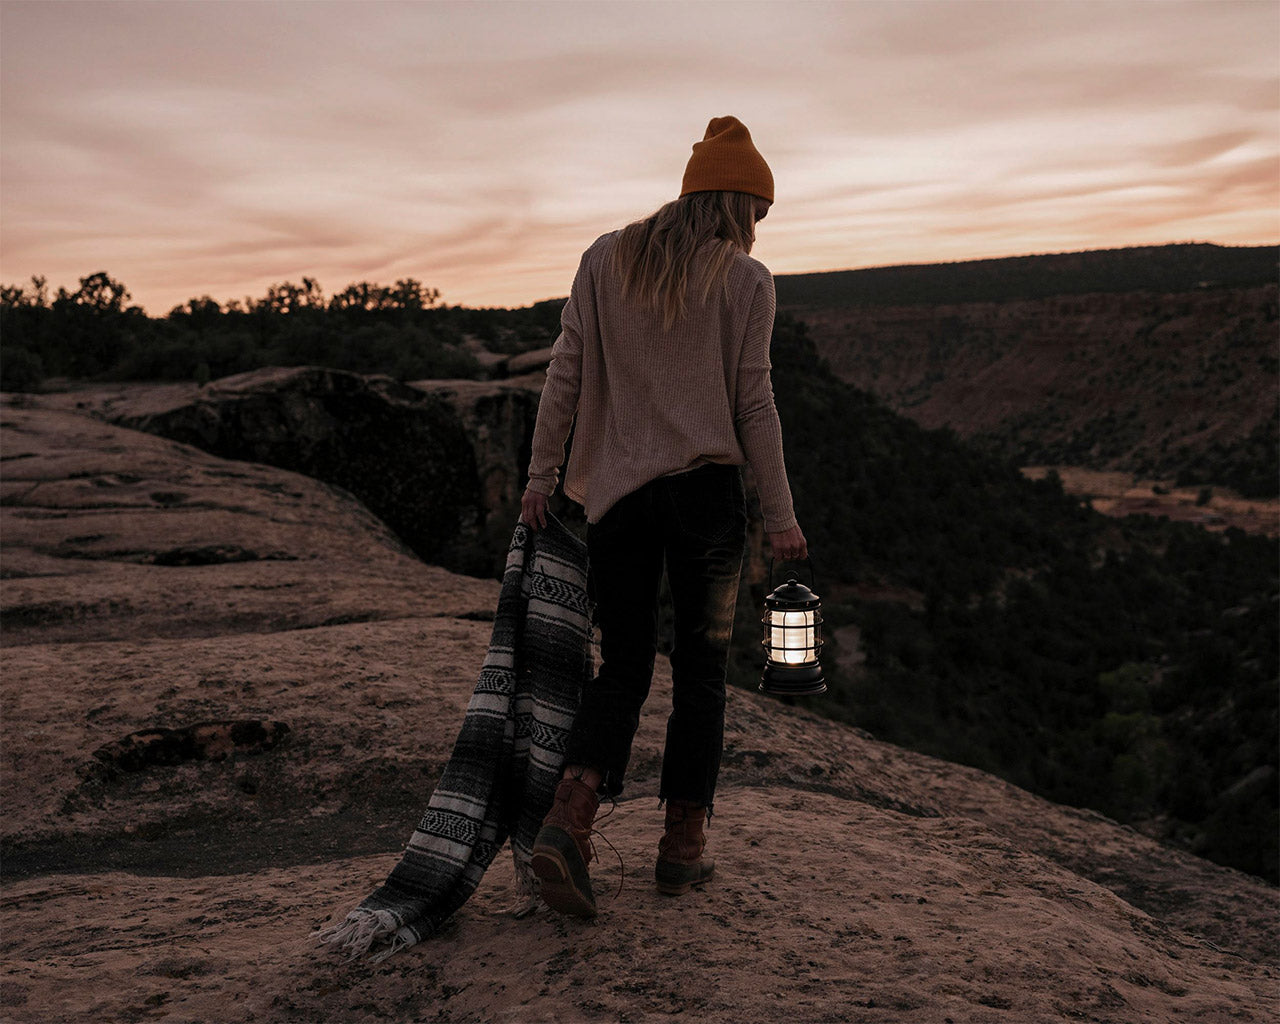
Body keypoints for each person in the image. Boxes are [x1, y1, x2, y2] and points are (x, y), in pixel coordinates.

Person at [519, 115, 806, 918]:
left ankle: (568, 823)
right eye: (758, 213)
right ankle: (681, 850)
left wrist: (541, 476)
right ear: (741, 204)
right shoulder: (747, 281)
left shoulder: (606, 257)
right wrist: (781, 515)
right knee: (702, 673)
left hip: (617, 498)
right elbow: (754, 403)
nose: (758, 228)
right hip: (707, 500)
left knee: (625, 666)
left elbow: (565, 372)